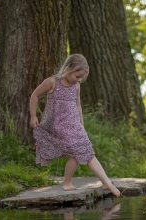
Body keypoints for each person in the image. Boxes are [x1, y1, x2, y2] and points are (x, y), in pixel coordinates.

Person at [29, 53, 121, 197]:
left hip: (74, 124)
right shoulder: (52, 82)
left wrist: (81, 124)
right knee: (80, 150)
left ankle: (97, 182)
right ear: (68, 68)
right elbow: (34, 95)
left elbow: (78, 105)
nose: (78, 80)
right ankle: (103, 182)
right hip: (58, 124)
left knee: (85, 151)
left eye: (81, 78)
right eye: (77, 76)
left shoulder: (76, 86)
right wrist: (33, 115)